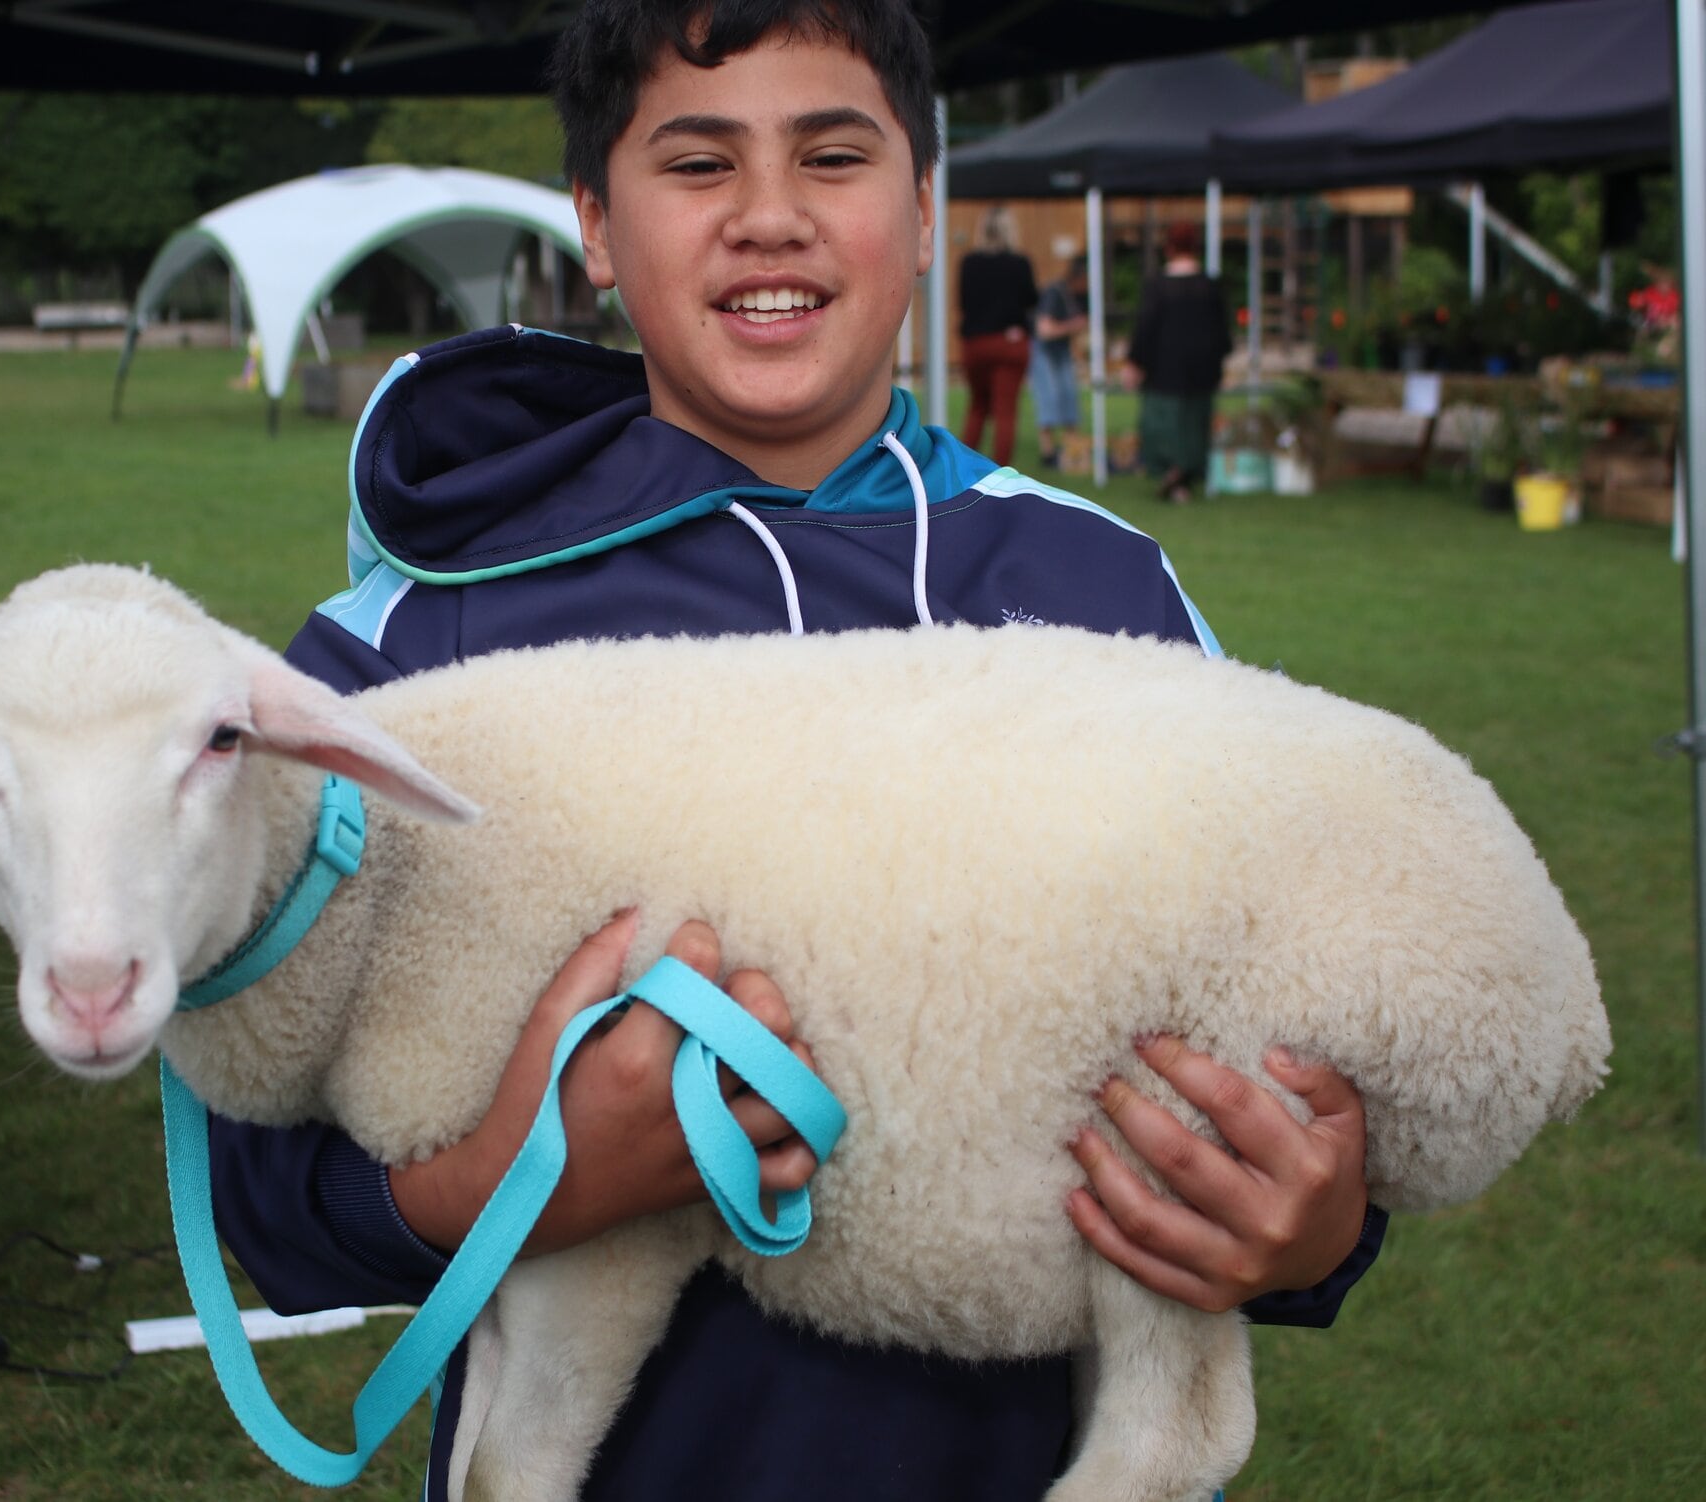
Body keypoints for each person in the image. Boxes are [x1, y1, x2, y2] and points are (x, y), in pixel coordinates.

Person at [210, 5, 1386, 1499]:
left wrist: (1319, 1225)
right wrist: (503, 1181)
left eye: (834, 154)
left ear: (920, 201)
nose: (771, 218)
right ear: (595, 223)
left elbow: (1290, 1060)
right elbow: (258, 1187)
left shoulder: (1109, 594)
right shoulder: (416, 649)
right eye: (697, 163)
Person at [1125, 220, 1230, 504]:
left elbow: (1146, 327)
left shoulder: (1158, 286)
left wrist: (1135, 362)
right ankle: (1183, 476)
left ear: (1169, 248)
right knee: (1195, 422)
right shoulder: (1209, 286)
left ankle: (1174, 473)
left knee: (1163, 422)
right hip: (1201, 368)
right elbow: (1222, 331)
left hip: (1164, 367)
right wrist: (1219, 364)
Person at [956, 203, 1037, 466]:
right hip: (1008, 342)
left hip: (976, 344)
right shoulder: (1019, 263)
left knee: (978, 407)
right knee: (1005, 412)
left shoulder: (969, 263)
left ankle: (963, 468)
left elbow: (964, 302)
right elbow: (1031, 299)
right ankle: (1000, 474)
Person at [1029, 251, 1088, 469]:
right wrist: (1072, 326)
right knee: (1049, 398)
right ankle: (1048, 452)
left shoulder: (1079, 296)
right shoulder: (1056, 292)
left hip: (1062, 352)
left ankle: (1072, 447)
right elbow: (1044, 330)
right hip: (1045, 351)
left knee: (1069, 396)